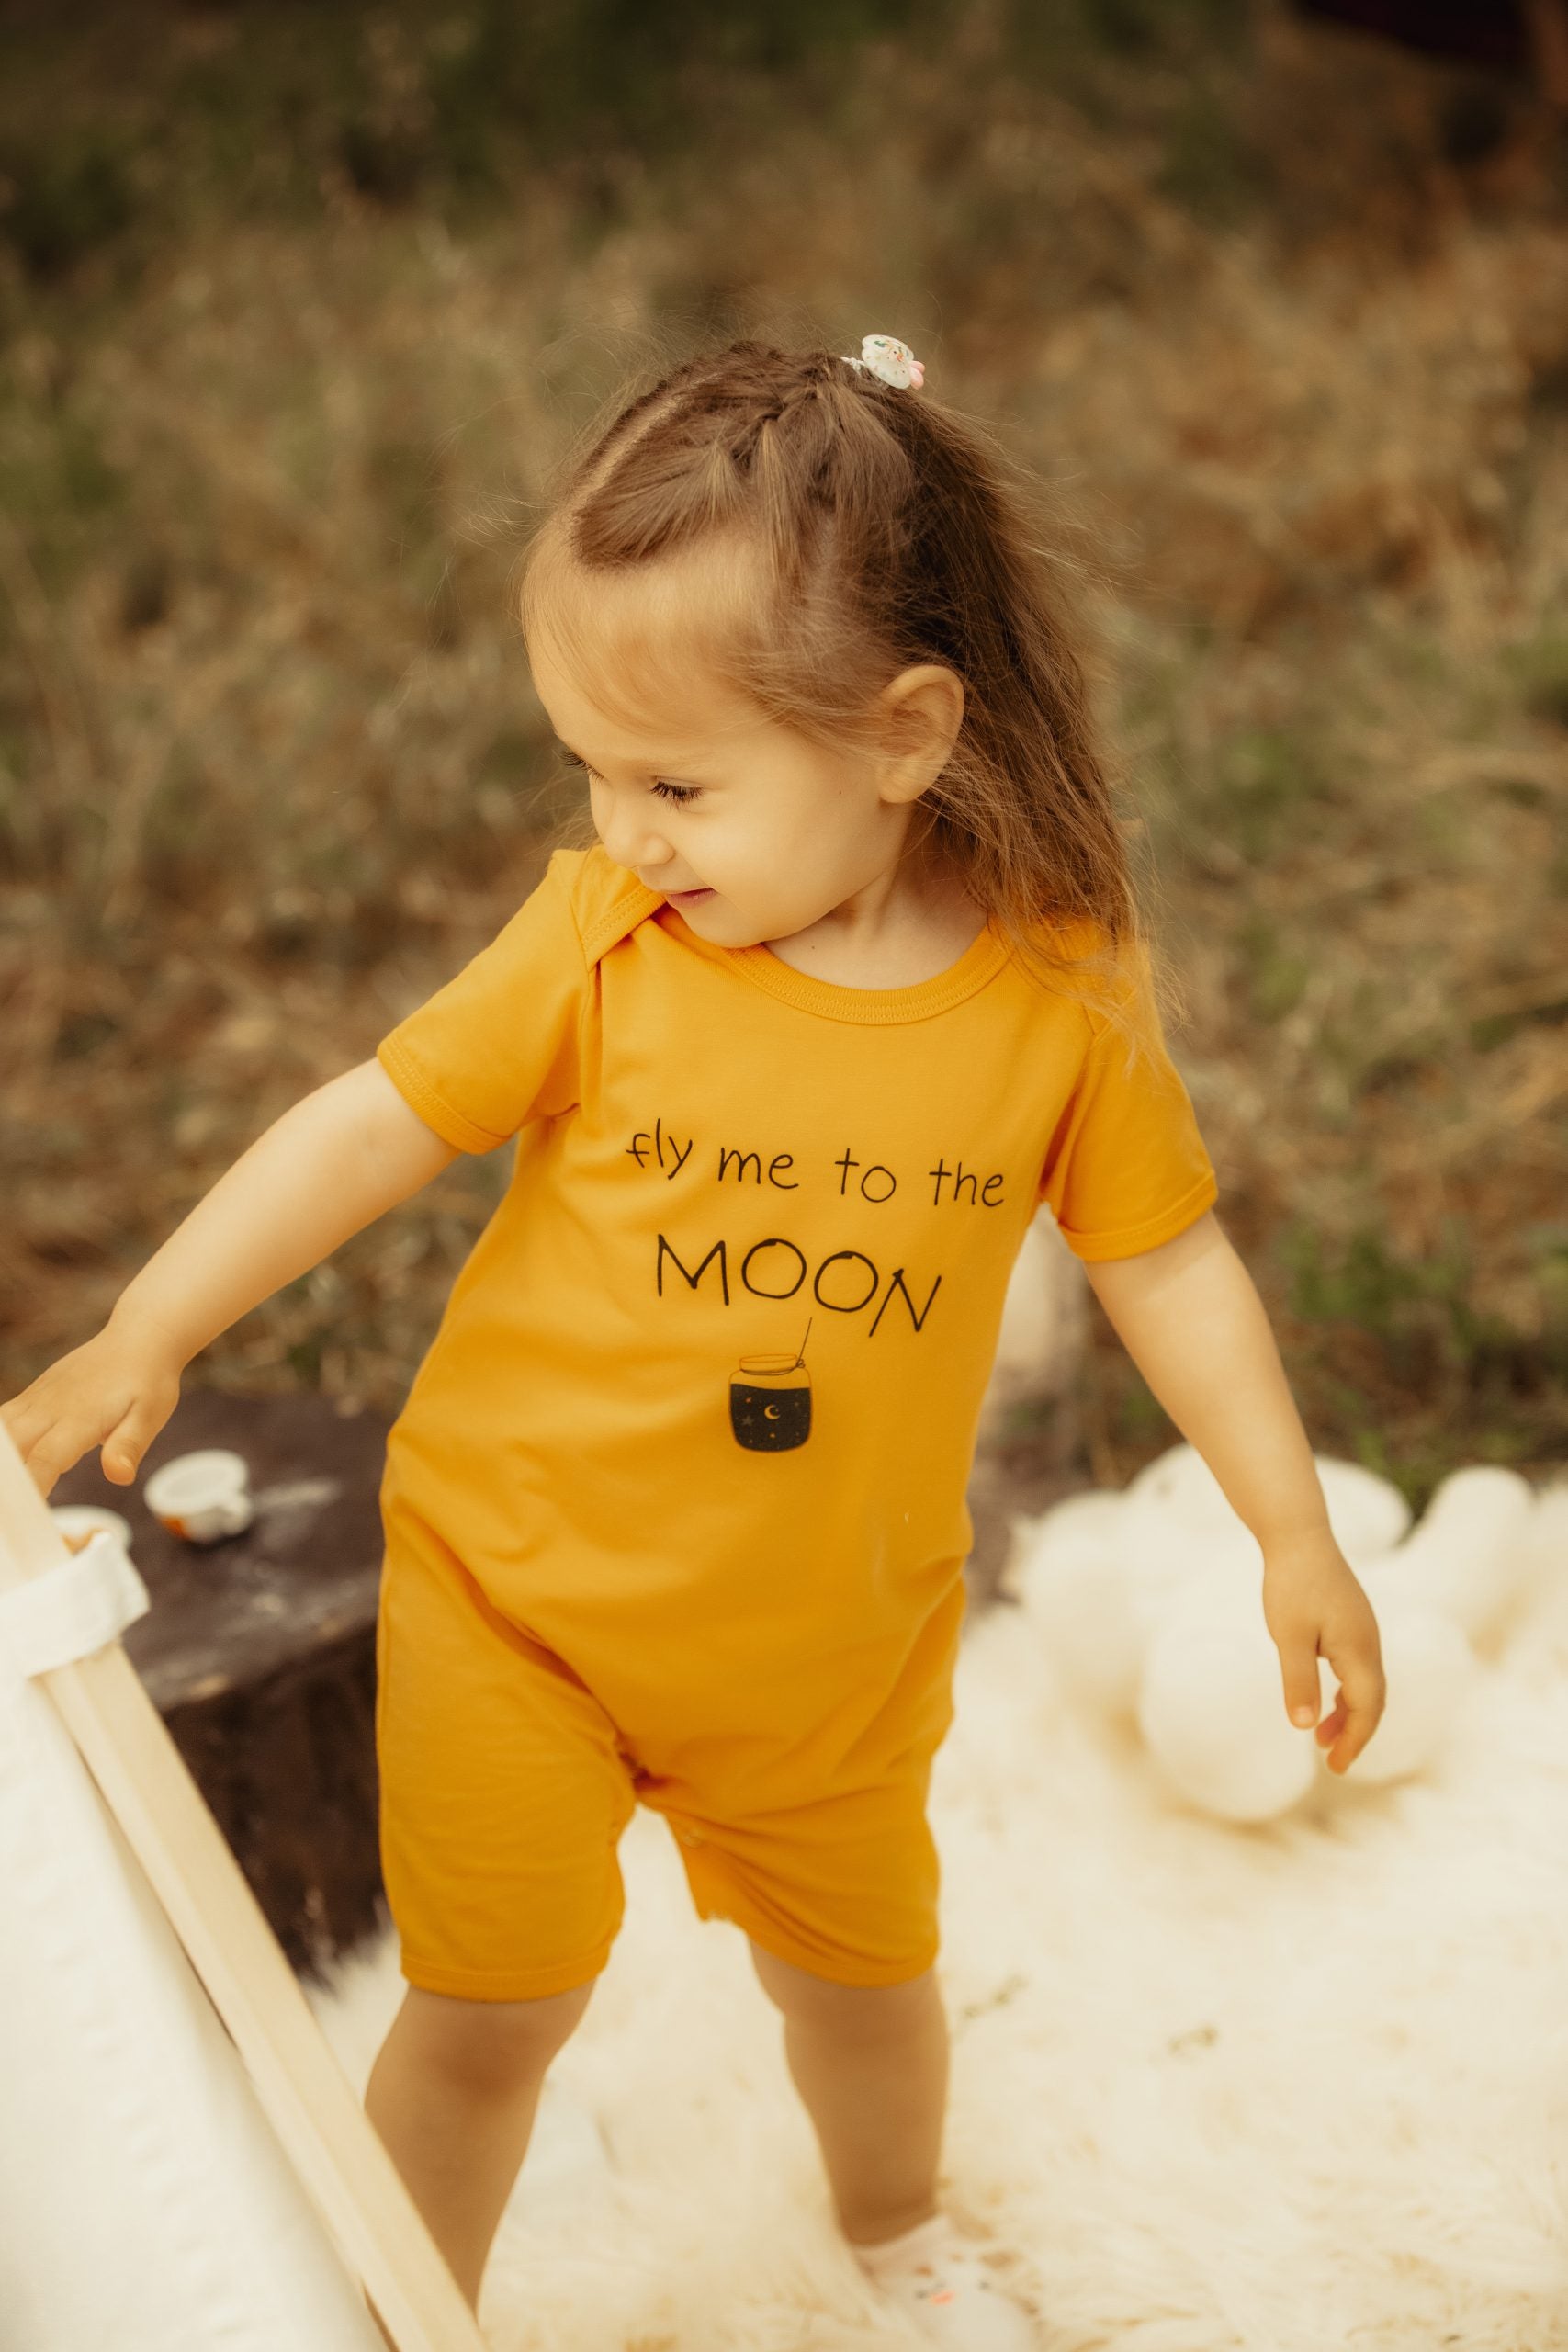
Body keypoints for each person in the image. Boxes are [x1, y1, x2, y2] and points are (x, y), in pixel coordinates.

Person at [1, 332, 1386, 2348]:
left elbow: (1165, 1262)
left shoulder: (1057, 998)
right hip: (519, 1598)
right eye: (588, 767)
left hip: (825, 1657)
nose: (622, 828)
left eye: (674, 782)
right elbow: (376, 1117)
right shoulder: (604, 939)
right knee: (485, 2015)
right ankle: (400, 2318)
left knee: (863, 1996)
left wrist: (1290, 1529)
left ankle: (898, 2237)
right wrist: (155, 1322)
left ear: (903, 735)